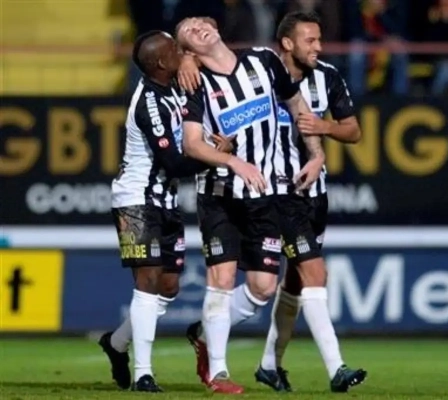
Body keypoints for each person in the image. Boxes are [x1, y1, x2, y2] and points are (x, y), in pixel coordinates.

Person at [174, 17, 325, 394]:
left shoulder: (263, 60)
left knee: (262, 287)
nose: (199, 26)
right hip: (220, 195)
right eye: (189, 30)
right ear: (188, 50)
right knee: (221, 279)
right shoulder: (194, 82)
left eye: (200, 22)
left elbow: (296, 104)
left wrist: (317, 154)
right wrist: (234, 162)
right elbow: (192, 144)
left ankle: (204, 333)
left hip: (264, 195)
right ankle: (219, 373)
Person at [98, 30, 250, 393]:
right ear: (161, 63)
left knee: (169, 287)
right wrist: (219, 158)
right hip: (137, 199)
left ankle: (116, 343)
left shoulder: (175, 89)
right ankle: (143, 373)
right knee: (148, 281)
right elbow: (174, 162)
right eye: (174, 49)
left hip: (165, 200)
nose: (180, 52)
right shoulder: (149, 102)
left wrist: (214, 143)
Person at [255, 11, 366, 393]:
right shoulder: (260, 77)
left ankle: (269, 365)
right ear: (287, 43)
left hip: (315, 194)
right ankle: (337, 369)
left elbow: (353, 130)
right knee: (316, 274)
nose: (318, 47)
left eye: (319, 39)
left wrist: (324, 126)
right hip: (279, 192)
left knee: (296, 280)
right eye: (310, 40)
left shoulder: (328, 76)